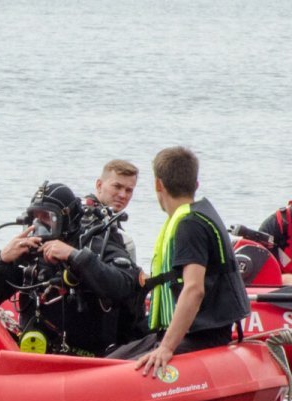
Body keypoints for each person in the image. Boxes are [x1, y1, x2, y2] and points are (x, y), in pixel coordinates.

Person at [108, 147, 251, 375]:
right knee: (108, 360)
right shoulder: (196, 214)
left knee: (115, 372)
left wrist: (166, 348)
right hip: (188, 331)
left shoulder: (190, 224)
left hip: (202, 336)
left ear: (158, 185)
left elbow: (194, 289)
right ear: (195, 184)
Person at [0, 174, 143, 356]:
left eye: (47, 218)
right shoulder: (28, 252)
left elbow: (126, 285)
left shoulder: (95, 244)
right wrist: (0, 260)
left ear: (66, 219)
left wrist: (75, 257)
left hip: (94, 360)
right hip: (38, 354)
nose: (40, 225)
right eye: (35, 217)